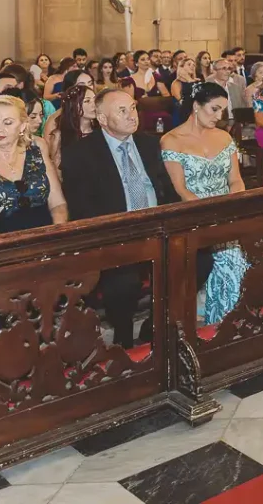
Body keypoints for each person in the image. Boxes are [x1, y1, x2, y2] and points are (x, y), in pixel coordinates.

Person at [61, 89, 180, 348]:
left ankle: (153, 326)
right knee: (124, 282)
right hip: (115, 235)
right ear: (102, 119)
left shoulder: (148, 145)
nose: (131, 116)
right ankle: (124, 337)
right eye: (122, 111)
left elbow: (167, 191)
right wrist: (120, 234)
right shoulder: (81, 154)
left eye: (133, 108)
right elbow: (82, 209)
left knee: (198, 261)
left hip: (158, 228)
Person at [161, 83, 248, 324]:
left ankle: (230, 319)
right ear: (196, 106)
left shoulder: (224, 137)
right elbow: (181, 190)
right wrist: (209, 216)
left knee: (244, 254)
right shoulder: (172, 140)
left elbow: (236, 180)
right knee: (231, 258)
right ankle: (224, 322)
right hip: (193, 216)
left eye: (223, 111)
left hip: (226, 212)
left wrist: (233, 204)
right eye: (214, 109)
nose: (219, 116)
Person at [0, 95, 68, 235]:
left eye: (7, 123)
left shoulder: (37, 147)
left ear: (22, 126)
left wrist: (57, 235)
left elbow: (58, 204)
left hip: (43, 238)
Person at [49, 84, 97, 172]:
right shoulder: (60, 136)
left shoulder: (102, 131)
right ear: (73, 105)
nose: (93, 105)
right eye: (87, 101)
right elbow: (56, 169)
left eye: (95, 100)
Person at [170, 57, 201, 126]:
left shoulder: (198, 81)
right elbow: (182, 102)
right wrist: (189, 80)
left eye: (193, 65)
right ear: (181, 67)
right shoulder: (176, 83)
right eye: (189, 64)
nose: (192, 66)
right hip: (182, 112)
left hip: (198, 111)